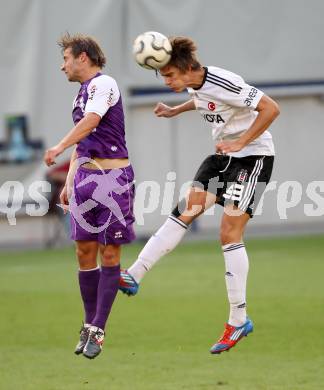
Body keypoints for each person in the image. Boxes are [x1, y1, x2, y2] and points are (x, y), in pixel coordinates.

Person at [119, 36, 279, 354]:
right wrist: (175, 110)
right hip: (222, 159)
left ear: (187, 68)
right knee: (184, 213)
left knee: (228, 232)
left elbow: (270, 108)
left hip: (254, 158)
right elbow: (203, 99)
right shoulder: (195, 83)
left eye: (169, 76)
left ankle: (238, 320)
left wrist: (241, 141)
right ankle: (134, 275)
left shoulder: (226, 81)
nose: (166, 81)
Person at [44, 33, 135, 359]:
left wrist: (58, 146)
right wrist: (69, 180)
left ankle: (98, 328)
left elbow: (93, 121)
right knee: (84, 252)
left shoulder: (104, 83)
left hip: (114, 180)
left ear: (83, 57)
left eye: (66, 58)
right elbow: (85, 141)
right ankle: (87, 322)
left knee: (109, 255)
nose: (62, 66)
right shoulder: (79, 95)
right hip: (84, 180)